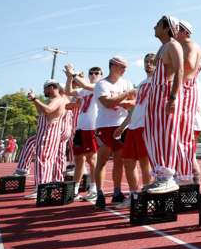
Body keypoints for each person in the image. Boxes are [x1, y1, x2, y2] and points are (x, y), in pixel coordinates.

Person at [145, 16, 185, 194]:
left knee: (166, 134)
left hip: (165, 92)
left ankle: (168, 176)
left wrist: (173, 97)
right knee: (153, 135)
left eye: (157, 24)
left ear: (166, 27)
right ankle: (160, 174)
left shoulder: (173, 45)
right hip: (155, 94)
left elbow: (180, 71)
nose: (154, 26)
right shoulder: (162, 47)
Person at [92, 56, 134, 208]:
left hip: (121, 125)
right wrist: (125, 96)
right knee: (102, 160)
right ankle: (100, 193)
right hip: (105, 126)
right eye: (122, 67)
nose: (124, 70)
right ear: (113, 66)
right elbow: (107, 103)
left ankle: (117, 192)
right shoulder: (101, 84)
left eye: (125, 67)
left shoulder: (126, 82)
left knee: (119, 161)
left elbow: (133, 103)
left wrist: (119, 100)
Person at [114, 53, 155, 197]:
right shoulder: (142, 83)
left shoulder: (159, 82)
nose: (148, 64)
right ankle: (133, 196)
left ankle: (147, 195)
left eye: (152, 62)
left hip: (146, 126)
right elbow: (136, 108)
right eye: (146, 62)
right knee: (128, 161)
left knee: (145, 163)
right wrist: (123, 126)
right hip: (133, 127)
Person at [64, 64, 101, 200]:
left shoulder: (100, 86)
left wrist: (74, 74)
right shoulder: (84, 90)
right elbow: (68, 91)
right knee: (79, 159)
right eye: (91, 73)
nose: (93, 75)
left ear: (101, 76)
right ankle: (74, 188)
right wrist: (69, 77)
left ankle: (94, 188)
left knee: (92, 160)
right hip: (80, 127)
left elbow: (86, 86)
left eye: (97, 73)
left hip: (92, 127)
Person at [27, 81, 70, 197]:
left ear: (51, 87)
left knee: (42, 160)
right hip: (47, 132)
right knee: (46, 160)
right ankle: (43, 188)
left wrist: (35, 99)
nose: (43, 91)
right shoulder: (54, 100)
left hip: (48, 132)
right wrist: (34, 101)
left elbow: (47, 110)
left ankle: (41, 189)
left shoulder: (57, 99)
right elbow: (42, 111)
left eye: (44, 88)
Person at [174, 19, 201, 185]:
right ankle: (189, 182)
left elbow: (189, 66)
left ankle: (186, 181)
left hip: (186, 94)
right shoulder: (183, 46)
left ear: (184, 31)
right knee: (181, 144)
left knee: (184, 142)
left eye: (176, 30)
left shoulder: (190, 45)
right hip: (183, 93)